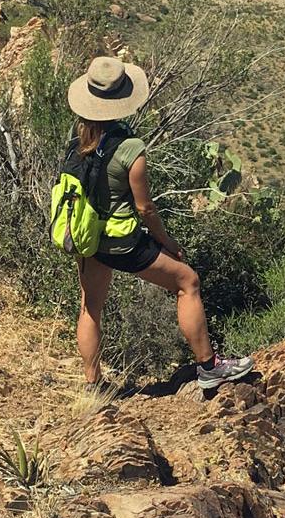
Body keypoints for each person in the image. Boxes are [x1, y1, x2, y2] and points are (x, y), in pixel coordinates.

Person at [66, 56, 254, 391]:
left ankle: (92, 386)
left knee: (90, 307)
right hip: (122, 242)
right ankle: (209, 367)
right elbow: (145, 208)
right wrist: (167, 243)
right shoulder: (130, 148)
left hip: (87, 237)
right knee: (188, 282)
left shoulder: (78, 140)